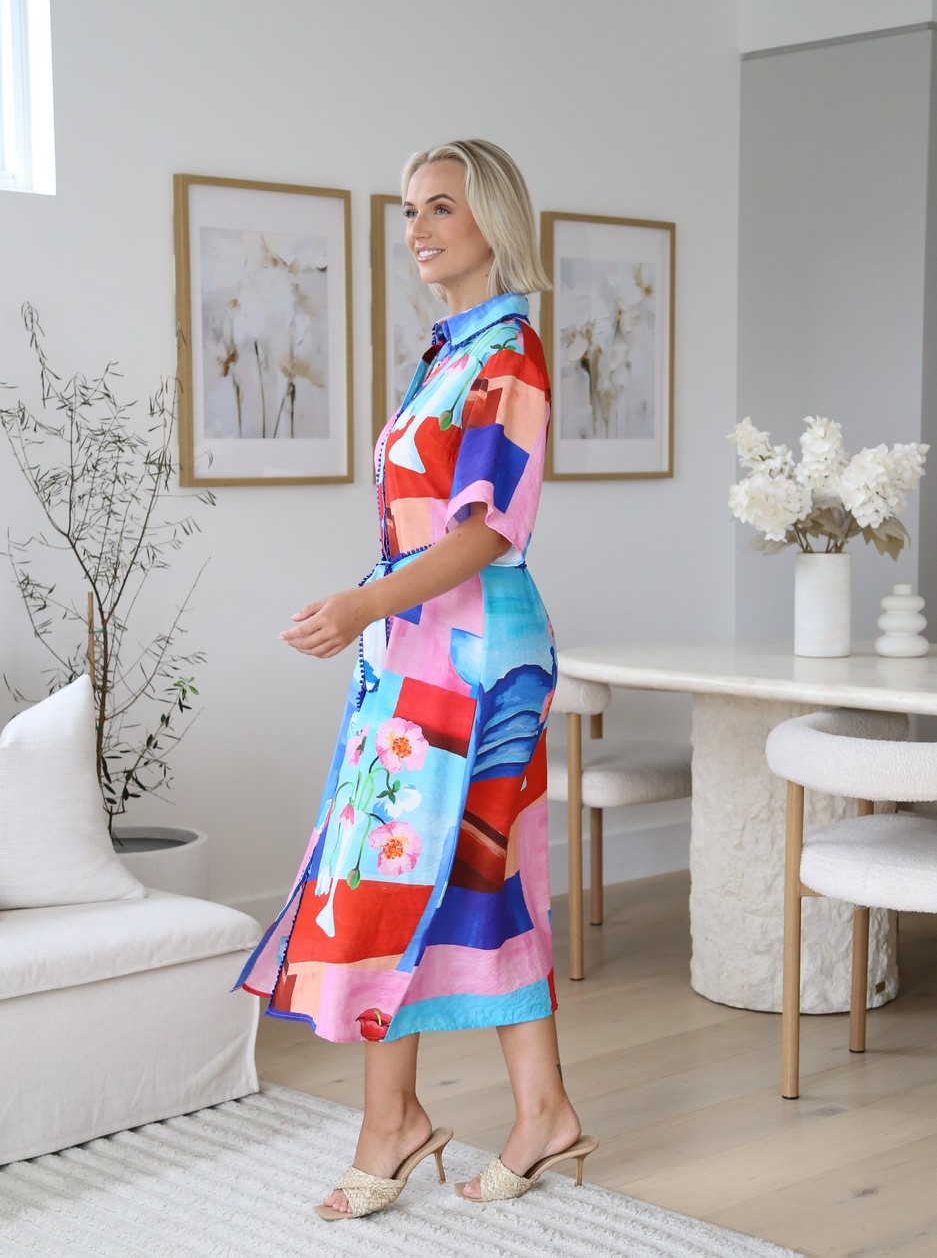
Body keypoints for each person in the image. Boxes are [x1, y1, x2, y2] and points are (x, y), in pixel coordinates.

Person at [236, 138, 596, 1220]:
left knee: (406, 878)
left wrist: (362, 605)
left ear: (492, 218)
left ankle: (397, 1122)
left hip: (473, 660)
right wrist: (375, 618)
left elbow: (486, 531)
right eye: (408, 211)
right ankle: (533, 1108)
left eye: (441, 206)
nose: (418, 229)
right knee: (472, 885)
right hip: (419, 651)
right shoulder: (449, 352)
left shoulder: (508, 353)